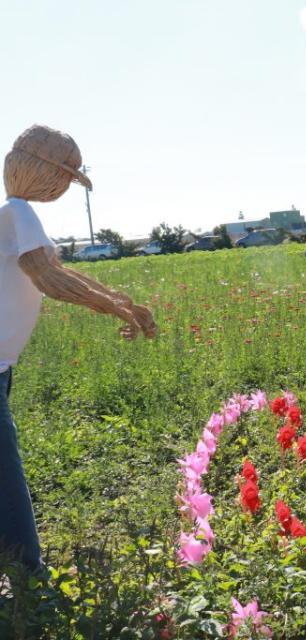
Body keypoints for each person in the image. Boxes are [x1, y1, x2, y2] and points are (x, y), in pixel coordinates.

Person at [2, 125, 157, 571]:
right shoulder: (19, 212)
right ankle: (28, 582)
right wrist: (117, 310)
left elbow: (59, 269)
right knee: (6, 481)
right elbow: (49, 279)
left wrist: (121, 301)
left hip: (2, 366)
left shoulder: (10, 214)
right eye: (67, 179)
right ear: (49, 175)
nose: (66, 188)